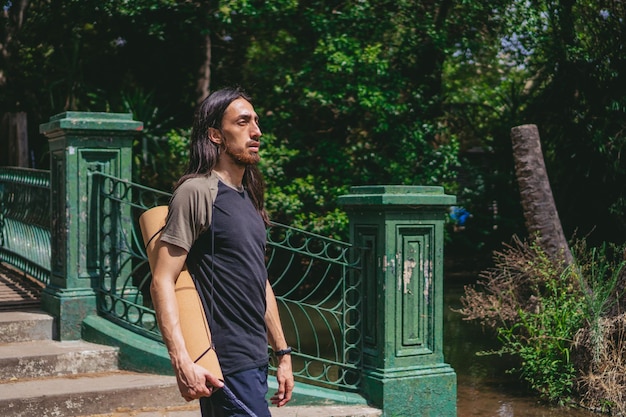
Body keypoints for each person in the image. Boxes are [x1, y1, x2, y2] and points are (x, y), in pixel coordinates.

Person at [150, 87, 294, 416]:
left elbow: (260, 279)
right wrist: (182, 361)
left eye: (256, 122)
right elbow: (161, 280)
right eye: (243, 122)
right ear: (215, 134)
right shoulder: (197, 191)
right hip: (223, 363)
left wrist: (282, 354)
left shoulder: (249, 195)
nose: (256, 131)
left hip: (255, 359)